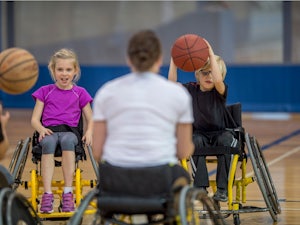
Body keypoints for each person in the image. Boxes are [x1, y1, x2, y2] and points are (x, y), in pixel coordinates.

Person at [92, 30, 194, 191]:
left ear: (128, 59)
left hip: (116, 177)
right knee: (183, 177)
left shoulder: (107, 92)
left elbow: (97, 151)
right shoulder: (178, 94)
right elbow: (183, 151)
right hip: (160, 176)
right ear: (160, 59)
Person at [168, 39, 237, 202]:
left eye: (212, 73)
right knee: (193, 140)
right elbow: (170, 85)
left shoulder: (219, 90)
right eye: (204, 72)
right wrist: (174, 60)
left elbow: (218, 80)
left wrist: (210, 53)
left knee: (226, 140)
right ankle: (200, 188)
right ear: (197, 74)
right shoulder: (191, 89)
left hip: (220, 133)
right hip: (199, 134)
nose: (209, 76)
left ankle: (222, 189)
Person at [31, 48, 93, 213]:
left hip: (70, 132)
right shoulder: (45, 91)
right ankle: (47, 194)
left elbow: (91, 118)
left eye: (68, 69)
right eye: (60, 69)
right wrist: (41, 129)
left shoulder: (80, 93)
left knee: (67, 140)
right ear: (53, 70)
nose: (64, 74)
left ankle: (67, 192)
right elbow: (34, 119)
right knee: (49, 142)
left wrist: (89, 132)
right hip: (49, 131)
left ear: (75, 71)